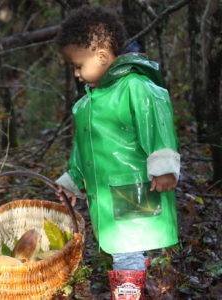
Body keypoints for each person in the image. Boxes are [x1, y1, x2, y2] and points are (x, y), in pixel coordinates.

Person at [54, 6, 180, 299]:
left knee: (126, 249)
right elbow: (82, 147)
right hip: (108, 195)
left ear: (100, 57)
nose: (76, 73)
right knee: (124, 248)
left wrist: (163, 166)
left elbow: (156, 123)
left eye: (77, 65)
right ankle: (139, 280)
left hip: (134, 188)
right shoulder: (85, 104)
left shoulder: (135, 87)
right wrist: (73, 179)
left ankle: (128, 293)